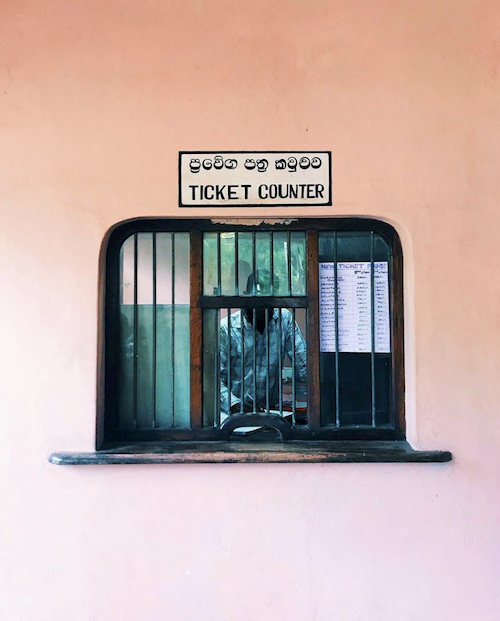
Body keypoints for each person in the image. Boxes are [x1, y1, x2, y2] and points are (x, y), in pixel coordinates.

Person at [219, 269, 307, 417]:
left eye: (268, 301)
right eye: (257, 300)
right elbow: (213, 382)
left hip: (270, 412)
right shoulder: (226, 328)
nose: (262, 308)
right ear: (246, 295)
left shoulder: (284, 319)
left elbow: (305, 366)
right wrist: (235, 404)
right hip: (233, 415)